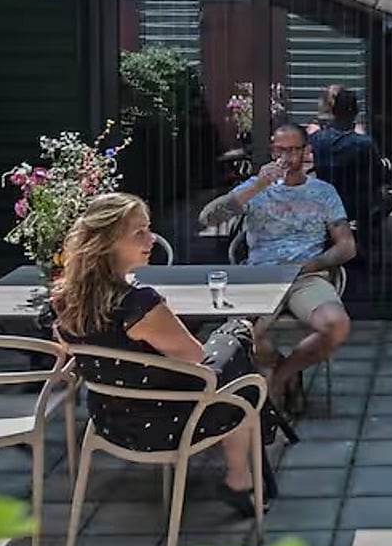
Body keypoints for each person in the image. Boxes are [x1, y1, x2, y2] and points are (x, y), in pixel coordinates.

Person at [44, 192, 265, 516]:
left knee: (236, 355)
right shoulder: (138, 305)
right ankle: (239, 479)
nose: (151, 239)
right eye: (139, 233)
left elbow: (69, 353)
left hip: (108, 419)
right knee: (239, 361)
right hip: (167, 422)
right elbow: (195, 359)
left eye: (148, 229)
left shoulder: (63, 300)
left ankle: (243, 477)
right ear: (106, 242)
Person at [200, 121, 355, 402]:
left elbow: (346, 247)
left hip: (305, 277)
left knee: (337, 324)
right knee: (243, 335)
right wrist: (258, 185)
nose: (287, 158)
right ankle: (276, 368)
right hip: (260, 276)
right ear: (272, 151)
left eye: (294, 150)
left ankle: (283, 374)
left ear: (306, 152)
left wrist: (310, 265)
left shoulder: (323, 191)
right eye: (280, 150)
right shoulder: (254, 188)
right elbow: (207, 218)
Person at [308, 87, 387, 238]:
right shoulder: (363, 142)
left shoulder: (317, 139)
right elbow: (379, 175)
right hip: (357, 206)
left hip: (326, 203)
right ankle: (365, 234)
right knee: (388, 200)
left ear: (333, 112)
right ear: (355, 113)